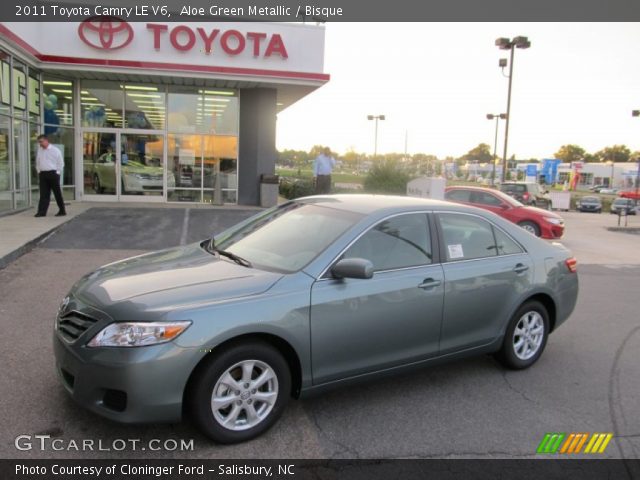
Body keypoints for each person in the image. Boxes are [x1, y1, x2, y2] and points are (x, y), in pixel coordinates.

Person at [35, 134, 66, 217]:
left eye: (41, 142)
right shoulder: (40, 150)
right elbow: (38, 162)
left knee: (57, 193)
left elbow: (61, 163)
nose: (40, 144)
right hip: (43, 174)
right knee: (44, 194)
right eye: (39, 142)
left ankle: (62, 210)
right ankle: (41, 212)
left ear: (46, 140)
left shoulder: (55, 150)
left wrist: (57, 172)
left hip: (53, 173)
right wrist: (39, 171)